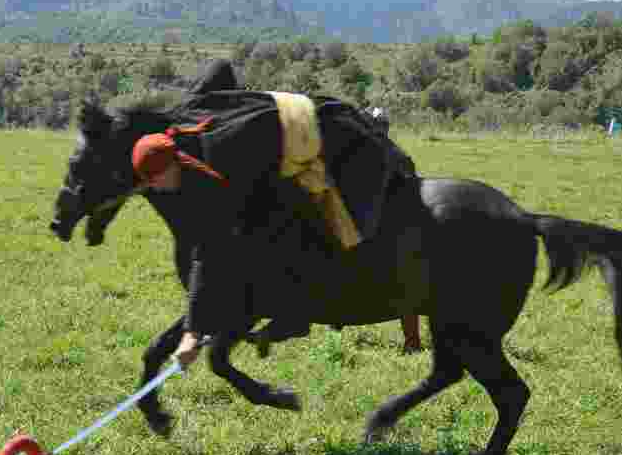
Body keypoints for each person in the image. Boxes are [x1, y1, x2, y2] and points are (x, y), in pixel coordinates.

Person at [131, 61, 417, 368]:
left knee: (327, 230)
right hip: (296, 149)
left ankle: (304, 312)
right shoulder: (192, 147)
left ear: (171, 164)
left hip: (337, 141)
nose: (154, 189)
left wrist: (192, 333)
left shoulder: (219, 158)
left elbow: (209, 249)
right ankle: (289, 311)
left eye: (154, 180)